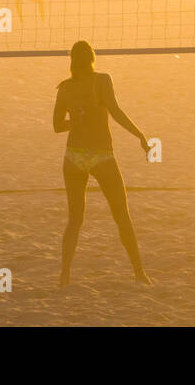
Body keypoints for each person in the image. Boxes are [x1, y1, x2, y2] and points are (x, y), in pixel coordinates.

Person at [52, 40, 152, 286]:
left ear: (73, 61)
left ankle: (64, 276)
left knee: (74, 220)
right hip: (101, 155)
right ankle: (139, 273)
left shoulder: (64, 88)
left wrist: (73, 122)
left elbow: (57, 127)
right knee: (122, 216)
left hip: (73, 157)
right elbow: (116, 112)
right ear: (92, 58)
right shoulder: (102, 80)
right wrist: (139, 135)